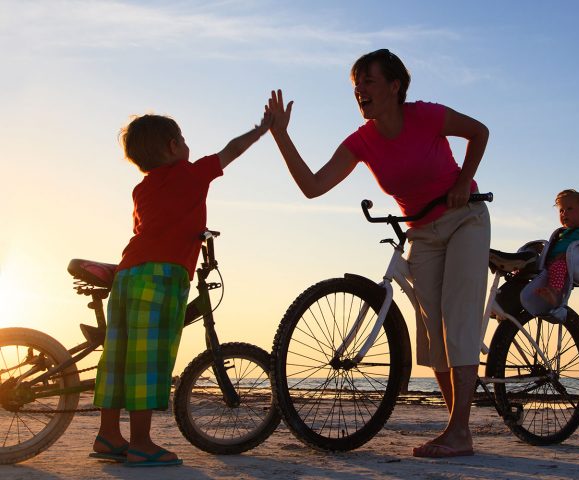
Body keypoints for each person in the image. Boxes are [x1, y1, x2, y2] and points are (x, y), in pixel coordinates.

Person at [266, 48, 490, 459]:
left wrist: (463, 180)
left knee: (457, 317)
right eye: (356, 85)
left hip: (465, 219)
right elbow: (314, 186)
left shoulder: (426, 115)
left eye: (368, 81)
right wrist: (281, 135)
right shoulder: (362, 141)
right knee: (433, 332)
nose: (360, 91)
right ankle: (456, 428)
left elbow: (480, 132)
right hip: (422, 231)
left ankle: (459, 432)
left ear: (394, 86)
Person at [91, 111, 272, 467]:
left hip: (127, 274)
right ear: (174, 147)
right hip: (162, 276)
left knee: (118, 358)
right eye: (184, 139)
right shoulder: (190, 174)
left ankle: (108, 435)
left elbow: (153, 225)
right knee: (148, 358)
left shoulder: (142, 188)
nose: (188, 145)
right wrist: (262, 129)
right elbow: (231, 151)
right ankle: (141, 443)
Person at [536, 189, 579, 306]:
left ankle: (553, 294)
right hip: (550, 261)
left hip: (568, 263)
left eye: (569, 209)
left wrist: (567, 256)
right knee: (531, 261)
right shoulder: (562, 233)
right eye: (561, 210)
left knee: (559, 267)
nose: (564, 213)